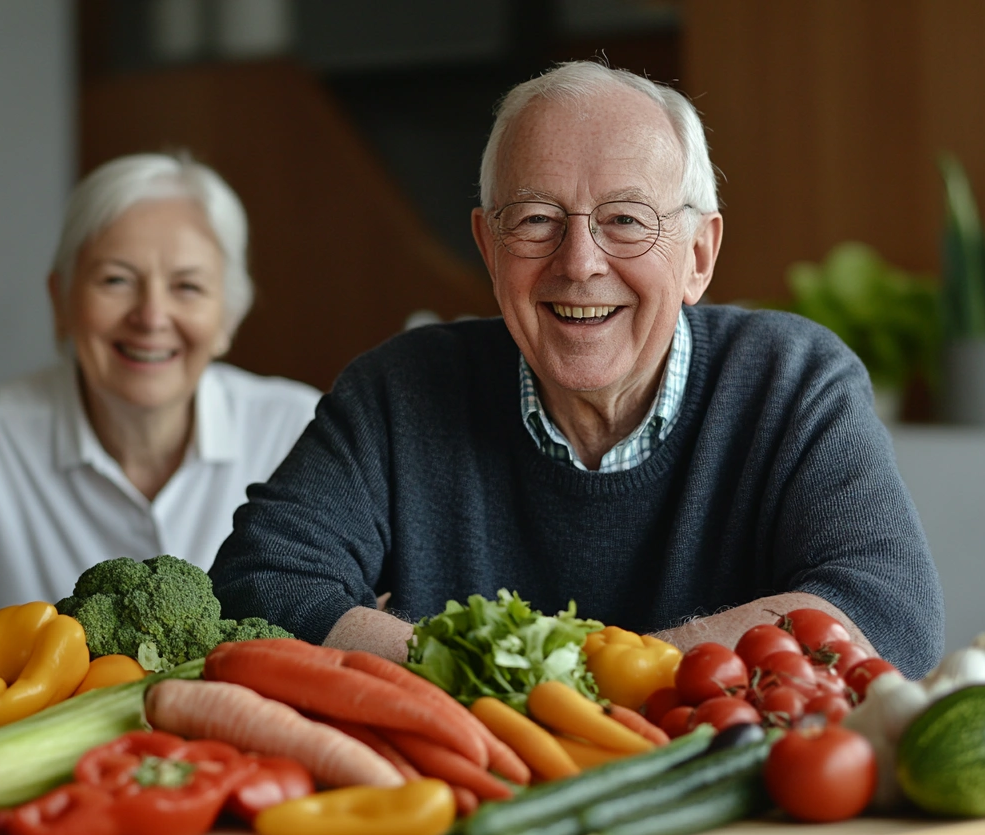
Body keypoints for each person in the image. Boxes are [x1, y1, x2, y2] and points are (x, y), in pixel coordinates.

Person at [209, 62, 945, 678]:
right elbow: (258, 583)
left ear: (698, 255)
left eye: (626, 220)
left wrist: (579, 680)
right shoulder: (395, 391)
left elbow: (886, 613)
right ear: (488, 248)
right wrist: (511, 680)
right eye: (536, 219)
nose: (580, 262)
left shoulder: (793, 380)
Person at [0, 153, 320, 640]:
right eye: (116, 280)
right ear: (61, 301)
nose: (151, 316)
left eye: (187, 286)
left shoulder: (299, 430)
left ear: (229, 316)